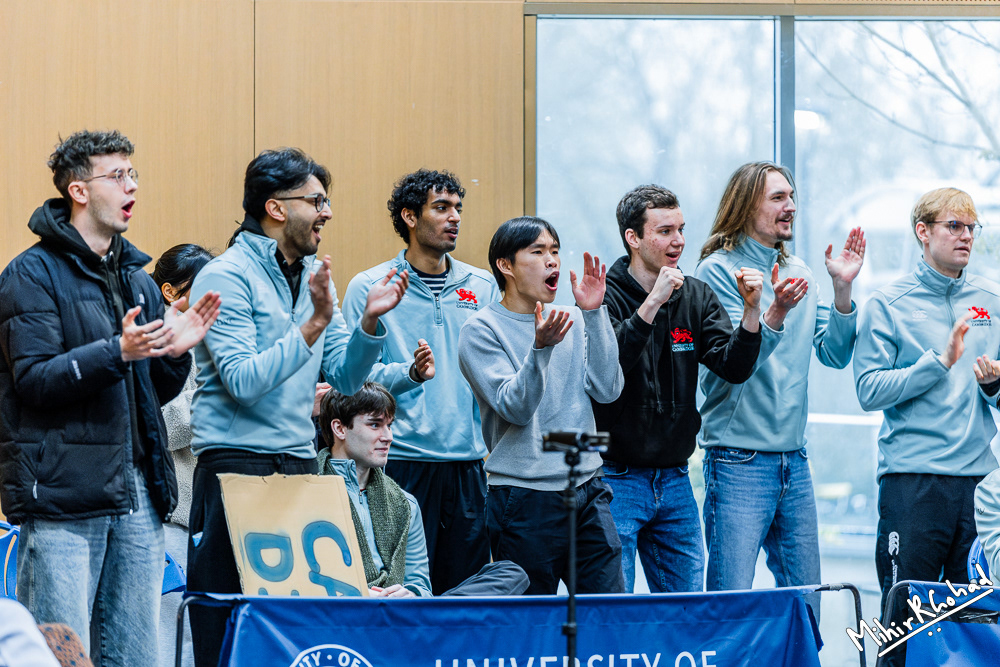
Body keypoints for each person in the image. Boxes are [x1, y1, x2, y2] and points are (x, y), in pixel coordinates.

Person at [0, 130, 221, 666]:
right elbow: (34, 380)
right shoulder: (29, 275)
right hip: (62, 499)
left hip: (137, 496)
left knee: (137, 656)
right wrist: (116, 352)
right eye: (117, 175)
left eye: (133, 174)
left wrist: (174, 355)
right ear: (78, 191)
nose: (132, 186)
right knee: (61, 654)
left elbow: (152, 394)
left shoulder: (137, 281)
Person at [186, 148, 408, 666]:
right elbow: (242, 382)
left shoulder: (313, 277)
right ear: (277, 207)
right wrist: (311, 326)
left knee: (297, 631)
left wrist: (369, 325)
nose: (327, 212)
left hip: (300, 465)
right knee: (228, 628)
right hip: (235, 468)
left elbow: (345, 379)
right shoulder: (224, 275)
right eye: (316, 201)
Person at [694, 161, 864, 610]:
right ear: (746, 205)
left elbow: (834, 353)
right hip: (738, 459)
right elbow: (735, 363)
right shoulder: (716, 271)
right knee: (730, 606)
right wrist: (775, 312)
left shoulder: (801, 271)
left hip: (795, 460)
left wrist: (841, 290)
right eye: (777, 198)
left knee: (806, 604)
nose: (790, 206)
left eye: (791, 197)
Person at [595, 184, 764, 593]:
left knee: (686, 608)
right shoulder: (603, 295)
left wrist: (752, 311)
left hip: (674, 479)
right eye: (665, 231)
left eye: (681, 229)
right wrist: (652, 302)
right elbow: (607, 368)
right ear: (633, 238)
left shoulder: (695, 294)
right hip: (616, 477)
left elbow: (733, 368)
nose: (679, 241)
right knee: (615, 606)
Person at [343, 169, 498, 594]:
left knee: (462, 597)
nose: (455, 218)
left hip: (468, 465)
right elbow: (352, 381)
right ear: (410, 217)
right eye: (441, 208)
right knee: (402, 594)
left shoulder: (482, 286)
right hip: (399, 464)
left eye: (458, 208)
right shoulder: (369, 286)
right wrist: (409, 374)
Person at [853, 188, 1000, 626]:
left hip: (978, 486)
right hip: (912, 483)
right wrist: (938, 363)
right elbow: (868, 390)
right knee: (903, 626)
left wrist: (994, 386)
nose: (966, 236)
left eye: (971, 228)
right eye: (954, 226)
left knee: (974, 626)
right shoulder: (887, 304)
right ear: (923, 231)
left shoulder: (991, 301)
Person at [459, 216, 625, 595]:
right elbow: (515, 409)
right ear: (506, 265)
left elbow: (608, 390)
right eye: (538, 252)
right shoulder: (480, 330)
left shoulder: (571, 319)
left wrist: (594, 313)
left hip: (588, 487)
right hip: (524, 497)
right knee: (530, 619)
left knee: (607, 612)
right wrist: (540, 350)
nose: (552, 260)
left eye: (555, 251)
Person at [316, 382, 529, 597]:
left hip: (399, 610)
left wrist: (412, 594)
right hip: (337, 608)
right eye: (375, 425)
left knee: (511, 573)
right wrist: (360, 595)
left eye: (389, 425)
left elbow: (420, 584)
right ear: (339, 429)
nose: (388, 436)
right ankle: (447, 612)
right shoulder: (308, 494)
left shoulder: (405, 504)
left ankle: (442, 611)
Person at [153, 243, 215, 667]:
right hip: (171, 514)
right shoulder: (158, 339)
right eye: (203, 285)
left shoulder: (216, 339)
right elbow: (163, 425)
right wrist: (216, 397)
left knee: (198, 631)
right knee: (168, 629)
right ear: (170, 292)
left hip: (210, 513)